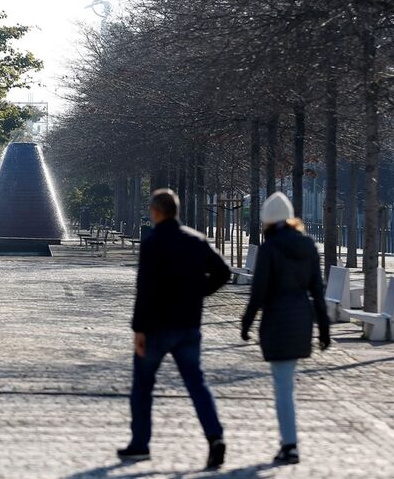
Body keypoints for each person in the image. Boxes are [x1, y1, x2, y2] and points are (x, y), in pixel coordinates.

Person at [119, 189, 231, 470]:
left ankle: (140, 444)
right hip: (188, 326)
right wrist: (198, 293)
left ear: (157, 212)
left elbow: (144, 290)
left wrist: (138, 329)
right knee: (197, 384)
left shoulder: (152, 243)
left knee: (143, 386)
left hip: (156, 327)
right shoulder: (196, 240)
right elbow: (223, 272)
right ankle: (215, 437)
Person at [240, 192, 330, 466]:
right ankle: (288, 443)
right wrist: (324, 329)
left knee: (282, 387)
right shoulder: (308, 246)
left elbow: (258, 292)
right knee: (286, 383)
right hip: (301, 318)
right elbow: (317, 290)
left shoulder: (269, 248)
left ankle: (289, 444)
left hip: (277, 320)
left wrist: (246, 323)